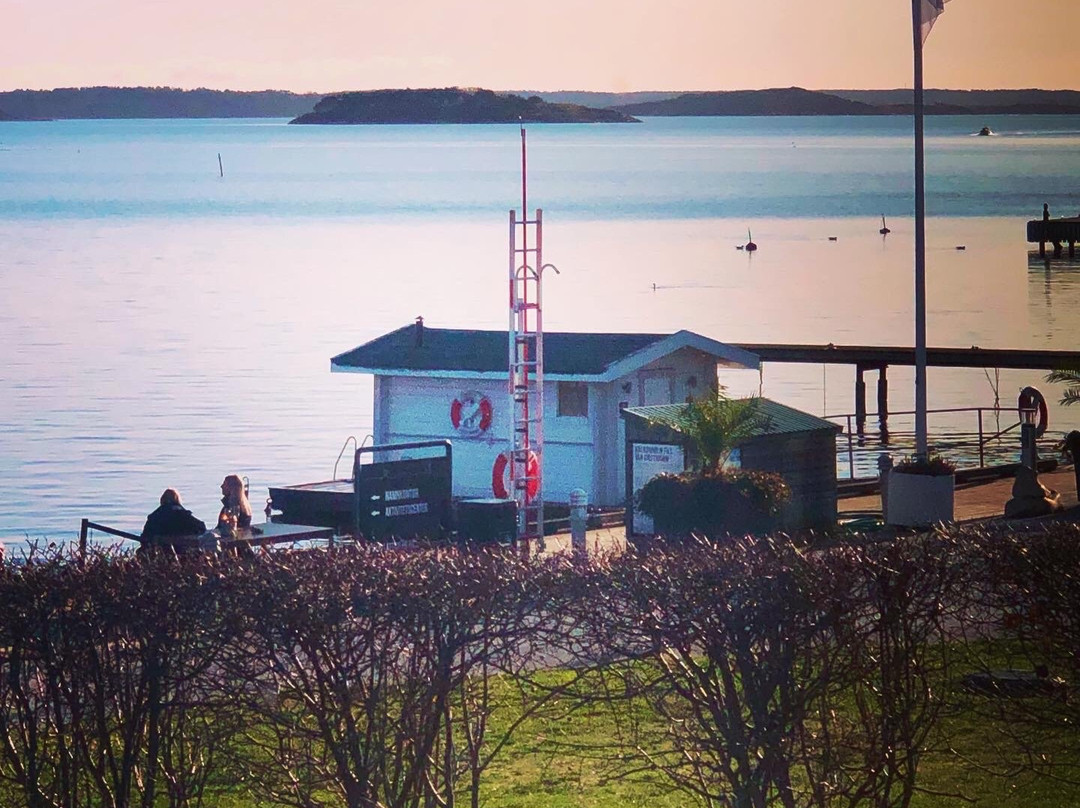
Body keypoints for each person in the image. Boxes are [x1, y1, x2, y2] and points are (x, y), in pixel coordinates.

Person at [141, 488, 207, 541]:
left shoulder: (154, 517)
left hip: (158, 552)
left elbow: (145, 537)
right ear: (177, 500)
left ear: (162, 500)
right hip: (182, 552)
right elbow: (202, 528)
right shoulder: (184, 515)